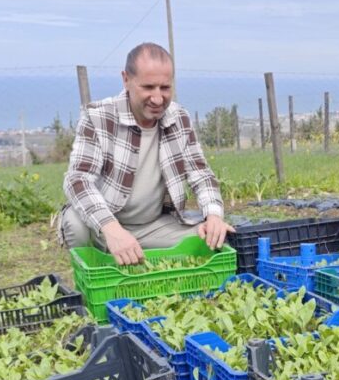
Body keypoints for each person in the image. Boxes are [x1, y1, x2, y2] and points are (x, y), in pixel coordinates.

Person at [56, 42, 233, 265]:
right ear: (126, 80)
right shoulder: (98, 118)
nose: (158, 98)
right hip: (106, 225)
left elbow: (201, 175)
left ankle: (135, 257)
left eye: (165, 88)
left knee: (214, 238)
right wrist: (112, 230)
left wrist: (214, 215)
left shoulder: (179, 118)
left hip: (155, 226)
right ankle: (95, 274)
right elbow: (77, 180)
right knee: (74, 223)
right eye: (148, 87)